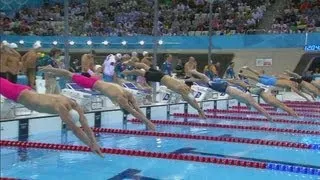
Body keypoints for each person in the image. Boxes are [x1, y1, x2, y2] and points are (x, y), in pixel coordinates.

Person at [0, 77, 103, 157]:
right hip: (18, 94)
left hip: (26, 91)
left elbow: (84, 122)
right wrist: (91, 145)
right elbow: (76, 130)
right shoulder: (60, 107)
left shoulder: (72, 102)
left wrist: (94, 143)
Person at [40, 66, 156, 131]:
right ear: (122, 106)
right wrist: (148, 123)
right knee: (68, 74)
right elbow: (135, 111)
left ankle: (50, 70)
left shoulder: (128, 94)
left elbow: (136, 109)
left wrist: (148, 122)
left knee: (68, 74)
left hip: (96, 82)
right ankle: (50, 70)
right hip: (91, 84)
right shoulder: (121, 99)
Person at [122, 60, 206, 118]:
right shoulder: (184, 92)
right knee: (140, 71)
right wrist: (199, 110)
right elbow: (192, 101)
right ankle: (127, 71)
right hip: (160, 78)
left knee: (144, 67)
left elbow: (192, 100)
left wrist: (199, 110)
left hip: (162, 75)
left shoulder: (183, 87)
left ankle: (130, 64)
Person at [185, 70, 273, 121]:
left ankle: (191, 77)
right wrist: (269, 118)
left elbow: (250, 105)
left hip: (225, 87)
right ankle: (193, 72)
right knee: (206, 80)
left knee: (206, 81)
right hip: (225, 87)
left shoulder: (247, 98)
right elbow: (260, 109)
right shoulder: (249, 99)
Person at [227, 79, 298, 117]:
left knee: (285, 108)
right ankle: (296, 117)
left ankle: (295, 116)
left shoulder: (263, 88)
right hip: (270, 99)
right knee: (285, 108)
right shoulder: (267, 88)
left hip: (268, 100)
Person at [240, 66, 311, 101]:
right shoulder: (291, 84)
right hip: (271, 81)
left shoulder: (291, 81)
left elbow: (300, 91)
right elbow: (299, 92)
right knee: (256, 77)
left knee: (258, 75)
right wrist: (307, 98)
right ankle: (245, 73)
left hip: (272, 79)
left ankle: (247, 69)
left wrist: (309, 96)